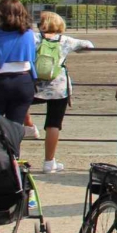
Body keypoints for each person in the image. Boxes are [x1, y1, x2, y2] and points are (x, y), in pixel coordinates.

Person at [29, 11, 93, 174]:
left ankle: (27, 130)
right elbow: (88, 45)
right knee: (53, 124)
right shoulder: (66, 41)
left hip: (34, 85)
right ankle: (49, 162)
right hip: (58, 87)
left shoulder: (33, 38)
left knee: (18, 108)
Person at [0, 0, 40, 138]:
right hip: (24, 81)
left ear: (1, 14)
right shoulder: (30, 35)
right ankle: (13, 157)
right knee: (16, 126)